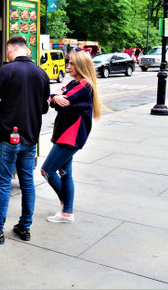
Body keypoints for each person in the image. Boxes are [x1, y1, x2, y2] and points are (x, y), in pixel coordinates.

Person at [0, 35, 50, 245]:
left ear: (9, 50)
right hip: (30, 137)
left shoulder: (7, 71)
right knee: (27, 182)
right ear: (26, 50)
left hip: (8, 137)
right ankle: (24, 226)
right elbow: (44, 108)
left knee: (4, 184)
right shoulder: (41, 73)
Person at [41, 51, 102, 223]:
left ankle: (67, 207)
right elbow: (58, 101)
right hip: (66, 134)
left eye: (72, 64)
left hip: (71, 135)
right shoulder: (76, 83)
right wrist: (55, 98)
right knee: (65, 173)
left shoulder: (84, 85)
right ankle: (67, 212)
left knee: (47, 170)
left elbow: (64, 101)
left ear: (81, 66)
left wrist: (55, 98)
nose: (68, 66)